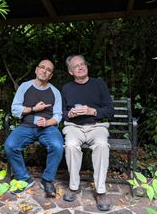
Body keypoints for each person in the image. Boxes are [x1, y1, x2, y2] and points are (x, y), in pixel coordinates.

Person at [61, 55, 114, 211]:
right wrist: (69, 114)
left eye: (83, 64)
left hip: (96, 126)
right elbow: (61, 112)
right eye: (76, 66)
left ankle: (100, 190)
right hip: (74, 127)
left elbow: (110, 110)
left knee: (102, 145)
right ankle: (74, 186)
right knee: (70, 145)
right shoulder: (66, 88)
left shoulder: (99, 84)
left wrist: (93, 111)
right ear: (71, 72)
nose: (81, 67)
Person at [5, 59, 64, 197]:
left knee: (57, 146)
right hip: (26, 126)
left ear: (51, 75)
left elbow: (58, 115)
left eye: (48, 70)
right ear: (36, 70)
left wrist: (48, 122)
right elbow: (15, 109)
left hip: (48, 128)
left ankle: (47, 180)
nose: (44, 71)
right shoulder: (25, 87)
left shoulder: (55, 92)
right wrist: (33, 108)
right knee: (10, 145)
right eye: (42, 67)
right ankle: (24, 178)